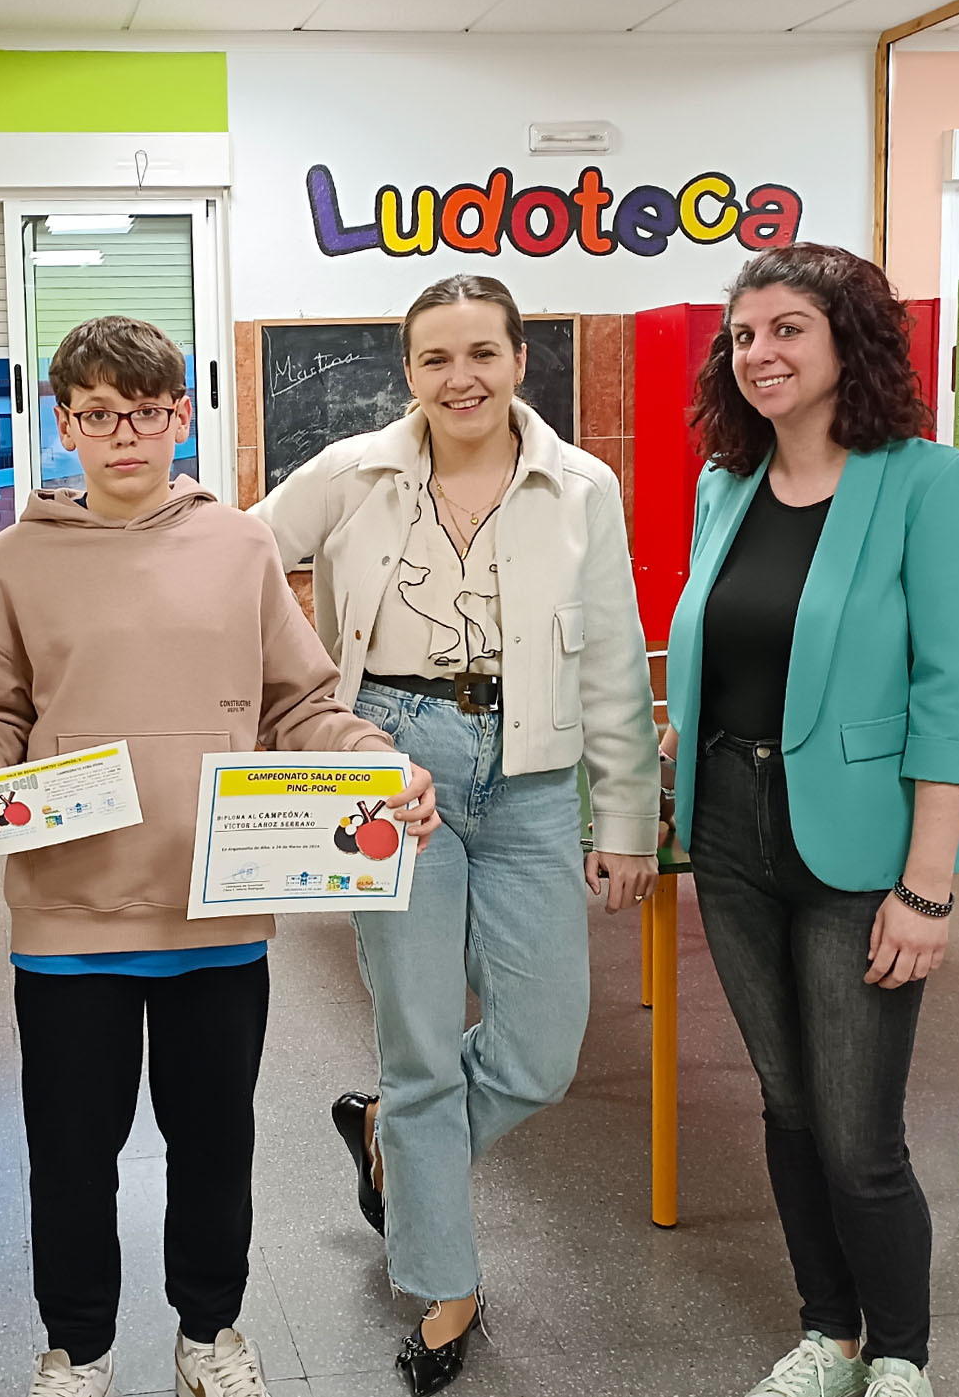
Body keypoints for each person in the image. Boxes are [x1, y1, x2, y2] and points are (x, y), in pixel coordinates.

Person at [0, 315, 439, 1397]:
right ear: (63, 422)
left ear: (179, 415)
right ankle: (77, 1346)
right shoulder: (18, 556)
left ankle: (208, 1333)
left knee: (213, 1150)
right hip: (70, 922)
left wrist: (370, 759)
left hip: (218, 913)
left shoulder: (238, 545)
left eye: (148, 411)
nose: (126, 434)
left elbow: (299, 698)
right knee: (71, 1160)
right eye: (100, 414)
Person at [252, 274, 659, 1395]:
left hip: (533, 778)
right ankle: (444, 1283)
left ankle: (393, 1135)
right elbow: (233, 564)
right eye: (435, 358)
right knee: (422, 1042)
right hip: (389, 765)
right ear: (408, 371)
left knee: (538, 1050)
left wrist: (625, 816)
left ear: (521, 360)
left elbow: (614, 662)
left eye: (481, 352)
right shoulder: (350, 472)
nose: (459, 377)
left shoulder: (582, 487)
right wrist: (304, 694)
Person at [662, 243, 959, 1397]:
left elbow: (952, 695)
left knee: (858, 1134)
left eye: (786, 328)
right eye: (742, 334)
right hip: (729, 828)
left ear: (844, 337)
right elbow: (722, 648)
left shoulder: (926, 480)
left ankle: (901, 1351)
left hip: (863, 845)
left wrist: (926, 883)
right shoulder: (726, 483)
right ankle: (830, 1332)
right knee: (785, 1102)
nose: (758, 353)